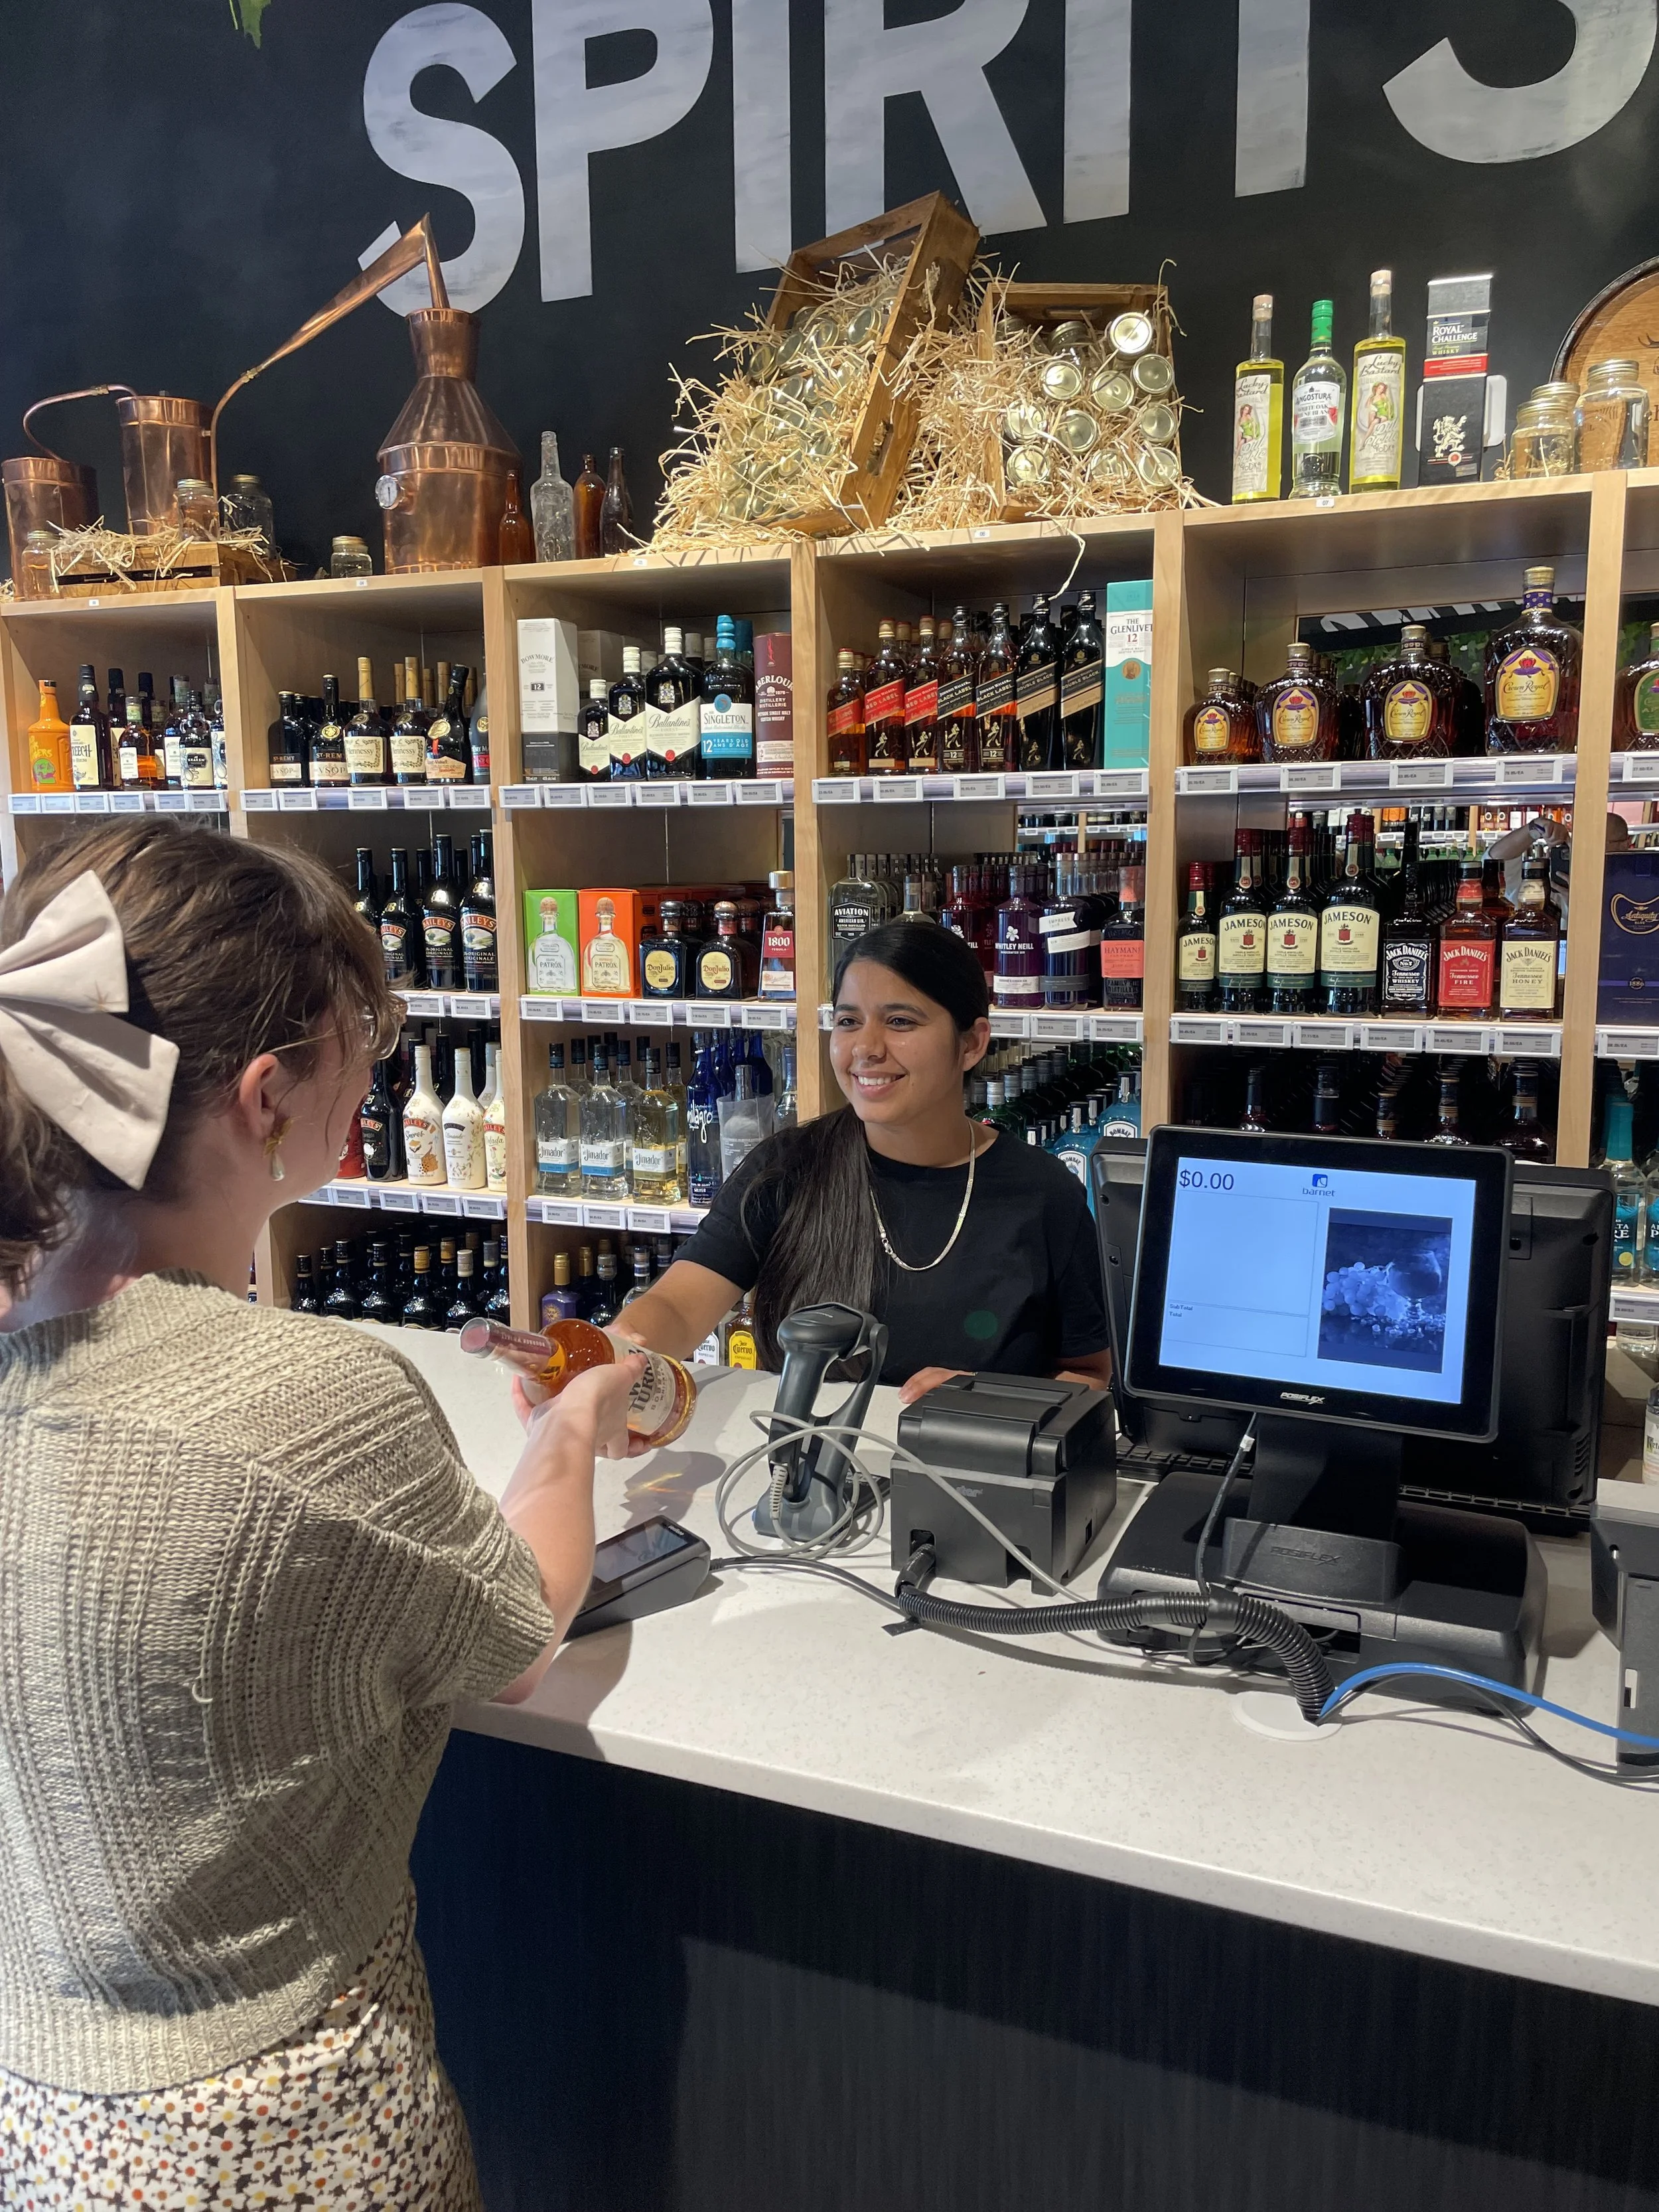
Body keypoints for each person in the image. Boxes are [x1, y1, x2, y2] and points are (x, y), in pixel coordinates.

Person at [0, 820, 636, 2210]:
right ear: (267, 1094)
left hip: (40, 2124)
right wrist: (577, 1425)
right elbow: (517, 1632)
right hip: (287, 2131)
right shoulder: (313, 1403)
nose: (375, 1078)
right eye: (360, 1044)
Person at [618, 921, 1112, 1399]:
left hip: (972, 1474)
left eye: (900, 1021)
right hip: (803, 1470)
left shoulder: (1045, 1193)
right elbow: (676, 1308)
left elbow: (1088, 1373)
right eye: (848, 1021)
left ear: (972, 1043)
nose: (866, 1048)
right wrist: (615, 1357)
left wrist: (987, 1400)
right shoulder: (788, 1169)